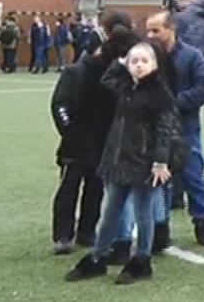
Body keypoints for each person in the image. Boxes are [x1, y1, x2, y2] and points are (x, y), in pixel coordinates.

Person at [64, 42, 178, 285]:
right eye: (134, 61)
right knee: (110, 213)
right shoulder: (125, 87)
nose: (139, 65)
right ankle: (98, 256)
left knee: (143, 213)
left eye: (144, 61)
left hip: (144, 164)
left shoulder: (160, 94)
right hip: (119, 161)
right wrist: (120, 62)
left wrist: (160, 161)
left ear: (155, 64)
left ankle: (142, 260)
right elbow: (107, 80)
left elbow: (165, 131)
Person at [50, 14, 141, 256]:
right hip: (77, 143)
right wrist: (70, 133)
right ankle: (63, 235)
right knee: (70, 189)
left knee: (95, 189)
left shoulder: (115, 76)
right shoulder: (76, 73)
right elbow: (60, 106)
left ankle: (86, 231)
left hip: (103, 142)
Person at [145, 11, 204, 249]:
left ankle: (202, 222)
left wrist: (175, 103)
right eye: (148, 31)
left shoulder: (192, 56)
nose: (150, 35)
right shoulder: (146, 57)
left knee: (193, 177)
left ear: (171, 29)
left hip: (186, 128)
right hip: (155, 130)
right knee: (158, 180)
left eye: (155, 30)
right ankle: (160, 229)